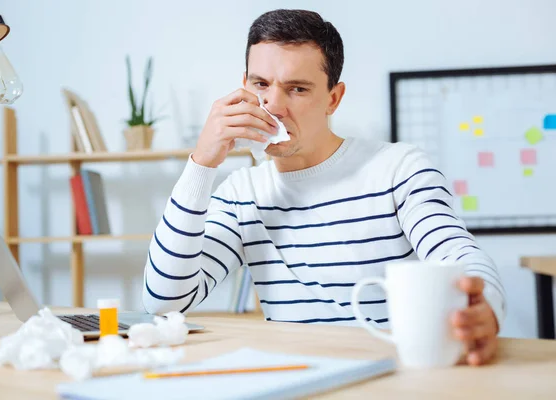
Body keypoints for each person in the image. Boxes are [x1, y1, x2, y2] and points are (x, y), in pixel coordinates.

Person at [142, 8, 506, 366]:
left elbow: (460, 256)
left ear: (333, 98)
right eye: (261, 85)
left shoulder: (399, 170)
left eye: (297, 89)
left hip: (392, 379)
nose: (274, 107)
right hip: (292, 380)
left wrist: (485, 308)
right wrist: (201, 164)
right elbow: (164, 302)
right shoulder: (240, 194)